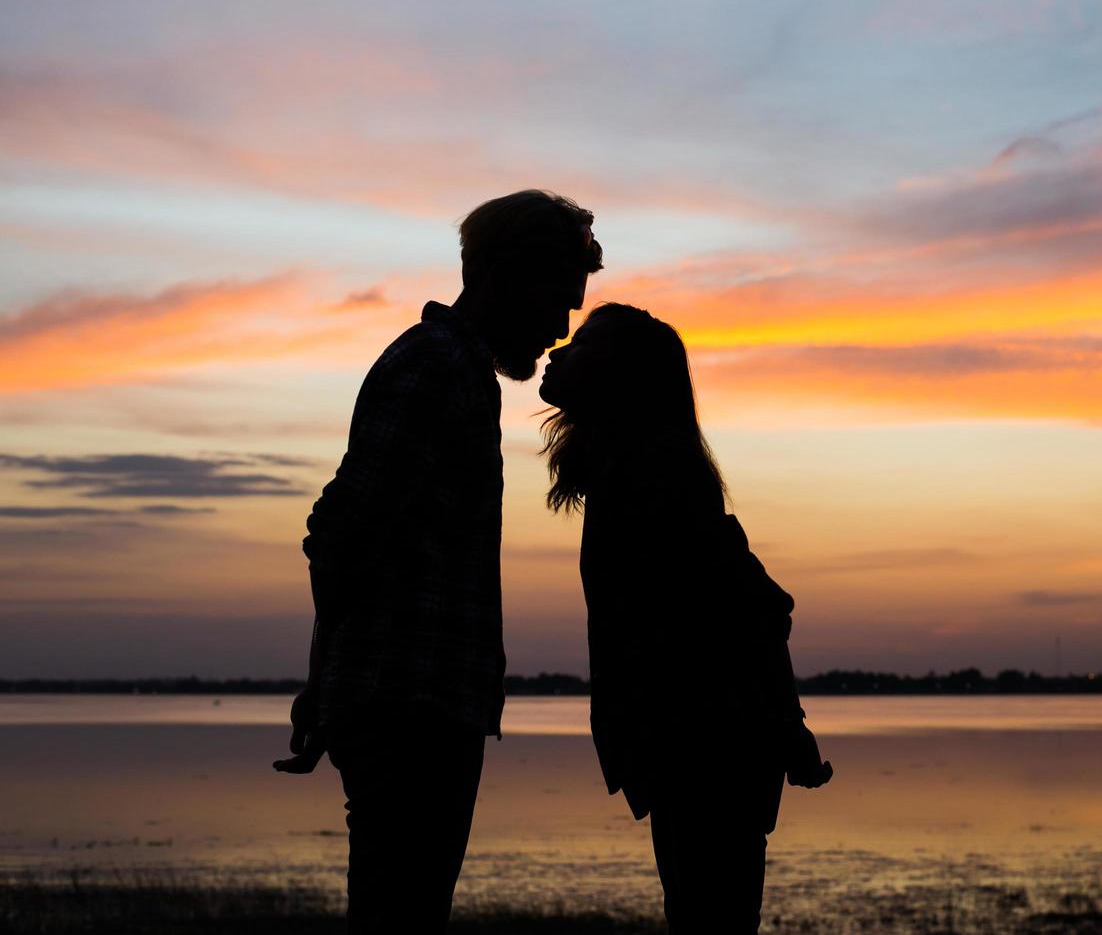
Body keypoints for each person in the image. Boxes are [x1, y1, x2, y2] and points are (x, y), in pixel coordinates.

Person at [273, 189, 603, 934]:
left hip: (422, 703)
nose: (558, 328)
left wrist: (325, 680)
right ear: (500, 276)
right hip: (407, 706)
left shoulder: (458, 372)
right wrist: (327, 681)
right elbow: (340, 531)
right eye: (557, 300)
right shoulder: (436, 367)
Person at [538, 302, 833, 934]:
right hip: (690, 741)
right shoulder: (629, 468)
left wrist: (786, 727)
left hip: (710, 743)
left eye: (583, 347)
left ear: (619, 375)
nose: (560, 351)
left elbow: (754, 608)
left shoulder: (656, 470)